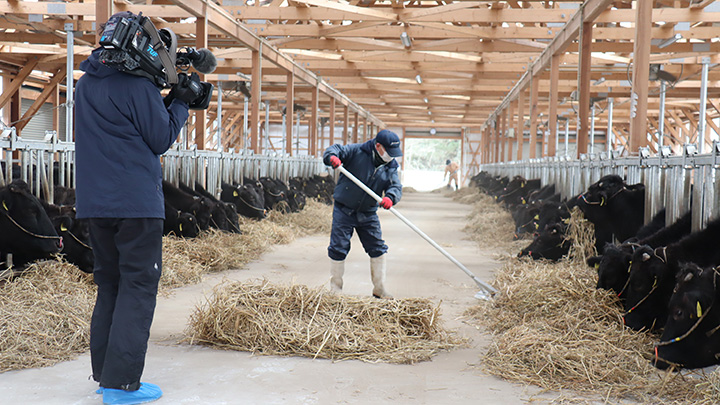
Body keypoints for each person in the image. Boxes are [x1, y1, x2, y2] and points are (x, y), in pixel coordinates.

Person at [74, 11, 198, 405]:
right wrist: (180, 103)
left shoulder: (86, 85)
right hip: (136, 205)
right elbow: (159, 138)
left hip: (95, 205)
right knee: (138, 287)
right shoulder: (138, 88)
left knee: (108, 284)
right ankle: (121, 384)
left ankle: (104, 374)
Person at [323, 129, 403, 299]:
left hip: (368, 212)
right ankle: (335, 289)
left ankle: (379, 288)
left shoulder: (390, 165)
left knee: (377, 248)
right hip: (344, 208)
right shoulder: (356, 151)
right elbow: (334, 149)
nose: (391, 156)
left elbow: (395, 186)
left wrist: (390, 197)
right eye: (389, 152)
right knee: (338, 247)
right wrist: (332, 158)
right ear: (378, 146)